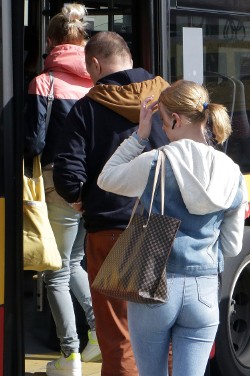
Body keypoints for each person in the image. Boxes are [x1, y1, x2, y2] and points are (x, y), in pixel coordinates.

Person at [97, 80, 248, 375]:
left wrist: (139, 136)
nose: (162, 131)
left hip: (156, 285)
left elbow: (107, 178)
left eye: (162, 123)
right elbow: (232, 246)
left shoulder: (156, 161)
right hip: (204, 291)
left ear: (176, 120)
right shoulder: (232, 172)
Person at [53, 31, 170, 375]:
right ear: (130, 60)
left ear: (94, 63)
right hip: (161, 228)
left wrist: (79, 200)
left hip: (111, 231)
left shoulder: (86, 109)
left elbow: (67, 176)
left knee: (120, 339)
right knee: (163, 336)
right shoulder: (169, 99)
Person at [23, 4, 100, 374]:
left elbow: (35, 142)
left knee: (55, 272)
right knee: (72, 264)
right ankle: (98, 335)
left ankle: (69, 354)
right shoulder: (96, 83)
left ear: (51, 41)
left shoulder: (44, 82)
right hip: (94, 185)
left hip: (57, 183)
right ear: (82, 41)